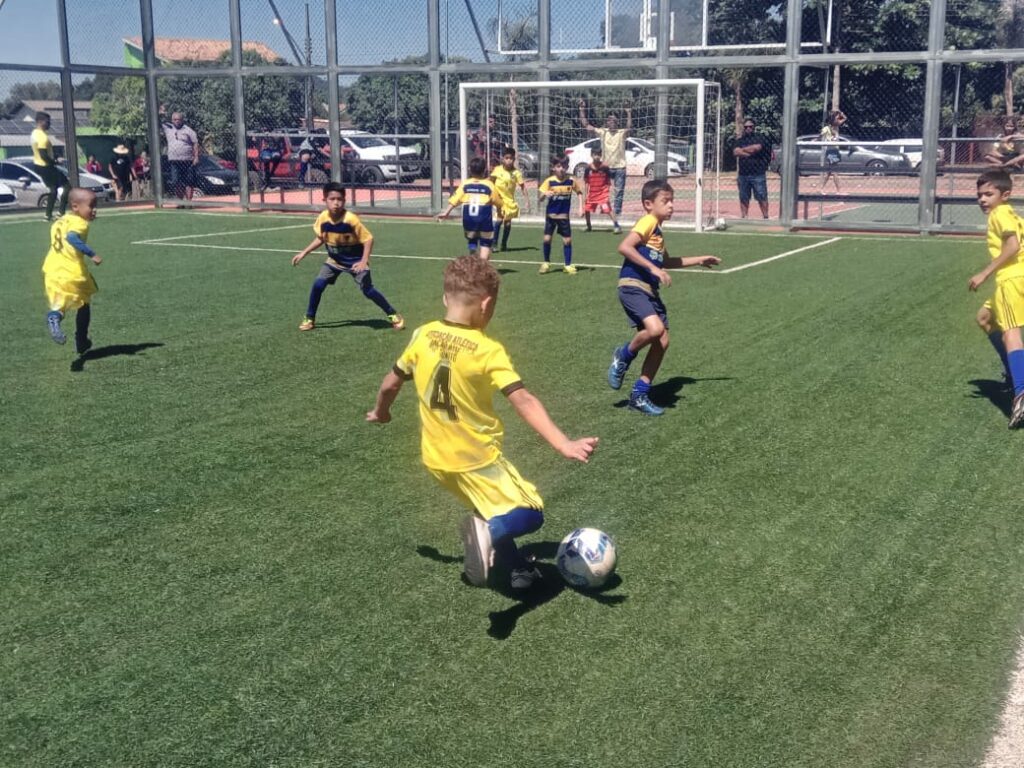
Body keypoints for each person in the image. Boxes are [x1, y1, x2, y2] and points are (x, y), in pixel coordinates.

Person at [366, 254, 599, 590]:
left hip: (436, 459)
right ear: (487, 304)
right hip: (477, 458)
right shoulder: (487, 349)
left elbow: (390, 383)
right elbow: (523, 399)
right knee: (531, 511)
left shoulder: (423, 335)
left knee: (491, 508)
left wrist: (381, 413)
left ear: (446, 298)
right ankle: (489, 535)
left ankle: (518, 568)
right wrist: (563, 443)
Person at [606, 179, 721, 416]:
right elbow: (625, 247)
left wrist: (699, 259)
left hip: (649, 291)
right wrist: (654, 270)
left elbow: (667, 261)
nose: (671, 206)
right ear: (648, 204)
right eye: (665, 201)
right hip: (633, 285)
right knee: (656, 329)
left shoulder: (657, 231)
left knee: (662, 341)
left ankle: (639, 395)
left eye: (672, 201)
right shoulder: (647, 221)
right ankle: (624, 354)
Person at [291, 182, 405, 332]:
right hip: (334, 261)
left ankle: (393, 314)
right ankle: (309, 318)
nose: (336, 203)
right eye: (332, 199)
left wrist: (364, 261)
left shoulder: (351, 219)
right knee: (318, 285)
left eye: (340, 199)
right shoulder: (323, 217)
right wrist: (304, 252)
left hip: (355, 261)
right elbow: (321, 238)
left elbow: (368, 239)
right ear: (324, 199)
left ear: (344, 200)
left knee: (367, 290)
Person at [968, 168, 1024, 427]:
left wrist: (984, 273)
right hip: (1015, 278)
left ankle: (1021, 391)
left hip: (1011, 280)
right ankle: (1014, 375)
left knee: (1010, 333)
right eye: (979, 195)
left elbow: (1012, 247)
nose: (982, 199)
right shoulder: (1008, 212)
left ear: (1005, 194)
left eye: (989, 194)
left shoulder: (1000, 213)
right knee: (985, 318)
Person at [42, 188, 101, 355]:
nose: (94, 210)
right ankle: (81, 340)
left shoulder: (60, 221)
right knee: (84, 303)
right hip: (72, 271)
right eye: (91, 206)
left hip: (52, 270)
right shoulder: (80, 223)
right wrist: (92, 254)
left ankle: (54, 317)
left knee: (59, 306)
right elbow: (72, 238)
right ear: (75, 206)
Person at [436, 156, 503, 260]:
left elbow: (455, 199)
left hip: (469, 219)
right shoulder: (489, 185)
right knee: (485, 244)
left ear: (470, 170)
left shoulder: (465, 184)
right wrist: (500, 211)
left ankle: (472, 252)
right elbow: (498, 202)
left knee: (472, 238)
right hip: (484, 218)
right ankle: (481, 266)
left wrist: (446, 212)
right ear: (484, 170)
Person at [579, 99, 632, 231]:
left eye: (614, 120)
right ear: (607, 122)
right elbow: (586, 125)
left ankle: (617, 215)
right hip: (605, 168)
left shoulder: (621, 133)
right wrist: (582, 110)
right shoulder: (603, 132)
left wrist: (629, 113)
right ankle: (599, 214)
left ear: (617, 122)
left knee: (619, 191)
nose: (611, 122)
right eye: (609, 120)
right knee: (598, 191)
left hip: (619, 167)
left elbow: (629, 128)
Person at [537, 157, 583, 275]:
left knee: (567, 241)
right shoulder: (549, 181)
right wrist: (545, 194)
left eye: (563, 166)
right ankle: (546, 263)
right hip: (551, 216)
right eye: (558, 166)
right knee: (547, 239)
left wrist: (580, 207)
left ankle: (567, 265)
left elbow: (579, 193)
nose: (561, 169)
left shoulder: (571, 181)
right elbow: (540, 198)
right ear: (553, 168)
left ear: (567, 167)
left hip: (563, 217)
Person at [490, 147, 530, 252]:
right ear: (503, 158)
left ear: (514, 159)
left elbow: (522, 187)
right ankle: (494, 244)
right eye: (506, 158)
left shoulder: (516, 173)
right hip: (499, 199)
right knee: (499, 220)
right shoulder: (497, 170)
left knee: (507, 223)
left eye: (511, 158)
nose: (509, 160)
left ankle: (504, 244)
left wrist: (527, 201)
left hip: (509, 200)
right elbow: (490, 182)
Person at [31, 111, 68, 222]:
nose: (49, 124)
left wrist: (55, 157)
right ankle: (60, 212)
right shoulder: (42, 137)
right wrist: (55, 162)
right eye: (48, 121)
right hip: (45, 166)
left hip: (39, 165)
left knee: (53, 190)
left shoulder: (34, 133)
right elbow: (43, 155)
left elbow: (45, 152)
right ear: (41, 122)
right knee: (67, 186)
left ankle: (48, 215)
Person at [733, 118, 771, 219]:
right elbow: (736, 152)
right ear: (744, 128)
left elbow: (756, 148)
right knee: (744, 197)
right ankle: (744, 216)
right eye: (746, 127)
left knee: (761, 196)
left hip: (758, 173)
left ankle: (765, 216)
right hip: (743, 174)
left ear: (754, 127)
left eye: (750, 126)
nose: (748, 128)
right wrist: (750, 152)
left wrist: (743, 150)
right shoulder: (740, 140)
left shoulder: (759, 138)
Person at [162, 112, 199, 202]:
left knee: (189, 182)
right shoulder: (168, 128)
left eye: (179, 119)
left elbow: (195, 144)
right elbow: (158, 122)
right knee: (176, 182)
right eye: (175, 119)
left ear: (182, 120)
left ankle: (189, 202)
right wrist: (161, 112)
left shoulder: (188, 130)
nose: (177, 121)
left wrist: (196, 157)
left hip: (187, 160)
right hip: (174, 161)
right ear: (172, 120)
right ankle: (180, 202)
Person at [582, 148, 616, 232]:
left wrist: (607, 192)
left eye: (598, 155)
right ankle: (589, 226)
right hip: (592, 193)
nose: (597, 157)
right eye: (595, 155)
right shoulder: (588, 168)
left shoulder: (605, 167)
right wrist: (585, 194)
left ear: (601, 156)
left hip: (602, 193)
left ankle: (616, 225)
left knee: (607, 209)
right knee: (586, 209)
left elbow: (608, 181)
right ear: (591, 155)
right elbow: (586, 182)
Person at [819, 109, 846, 194]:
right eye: (837, 117)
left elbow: (845, 118)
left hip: (835, 150)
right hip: (831, 151)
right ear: (833, 118)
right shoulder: (827, 128)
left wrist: (841, 113)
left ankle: (821, 188)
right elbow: (820, 136)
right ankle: (839, 190)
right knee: (834, 172)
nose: (839, 118)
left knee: (829, 172)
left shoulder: (836, 126)